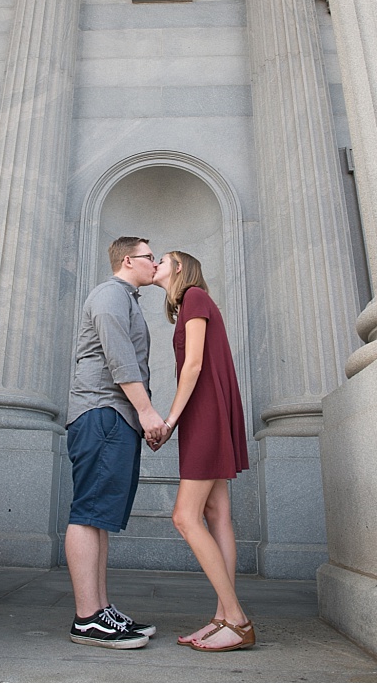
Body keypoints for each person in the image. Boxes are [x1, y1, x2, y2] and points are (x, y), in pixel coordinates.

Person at [64, 236, 166, 649]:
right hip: (102, 411)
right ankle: (87, 618)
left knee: (100, 515)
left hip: (113, 414)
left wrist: (140, 416)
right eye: (150, 257)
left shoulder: (126, 297)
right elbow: (119, 354)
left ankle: (99, 609)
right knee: (89, 511)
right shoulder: (110, 293)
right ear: (129, 260)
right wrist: (146, 412)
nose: (155, 264)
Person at [151, 250, 254, 652]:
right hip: (207, 413)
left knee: (184, 516)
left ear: (179, 267)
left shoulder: (194, 296)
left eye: (162, 259)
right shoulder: (189, 304)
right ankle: (223, 619)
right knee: (216, 513)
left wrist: (169, 420)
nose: (156, 264)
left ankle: (237, 619)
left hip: (205, 413)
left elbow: (193, 365)